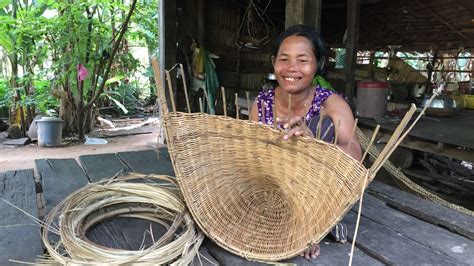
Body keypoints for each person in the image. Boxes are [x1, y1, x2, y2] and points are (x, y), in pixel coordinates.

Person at [249, 25, 362, 259]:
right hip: (275, 190)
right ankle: (281, 221)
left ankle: (314, 226)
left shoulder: (331, 104)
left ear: (318, 64)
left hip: (319, 194)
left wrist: (313, 145)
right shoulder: (262, 103)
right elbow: (253, 154)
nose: (292, 68)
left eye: (303, 60)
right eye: (284, 59)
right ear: (273, 62)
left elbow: (356, 157)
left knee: (324, 126)